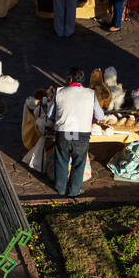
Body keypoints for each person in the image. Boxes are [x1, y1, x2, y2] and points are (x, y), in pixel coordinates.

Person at [49, 67, 105, 198]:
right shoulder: (90, 94)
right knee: (79, 163)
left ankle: (60, 189)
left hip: (64, 133)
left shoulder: (59, 92)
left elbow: (50, 113)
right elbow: (100, 115)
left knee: (61, 160)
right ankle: (74, 191)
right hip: (81, 134)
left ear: (69, 79)